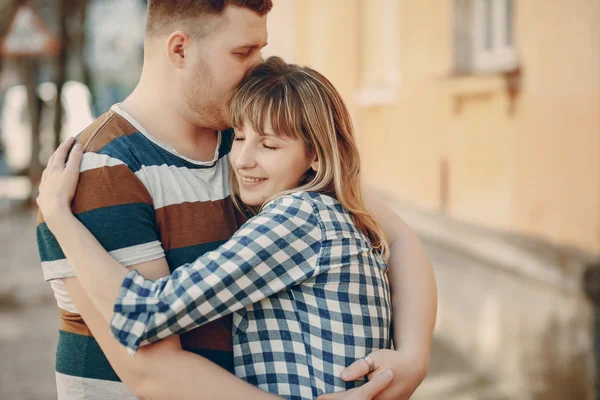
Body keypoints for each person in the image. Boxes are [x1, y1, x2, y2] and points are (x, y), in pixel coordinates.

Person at [36, 1, 436, 399]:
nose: (258, 66)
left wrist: (414, 359)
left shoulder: (255, 142)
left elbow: (397, 238)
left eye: (261, 49)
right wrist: (58, 217)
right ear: (179, 49)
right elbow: (153, 373)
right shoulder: (101, 168)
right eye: (243, 52)